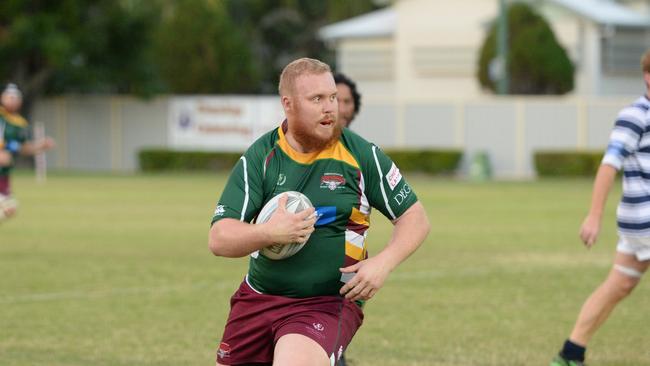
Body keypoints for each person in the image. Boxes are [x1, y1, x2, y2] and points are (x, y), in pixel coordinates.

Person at [209, 58, 430, 366]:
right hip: (257, 298)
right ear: (289, 104)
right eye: (317, 99)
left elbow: (415, 217)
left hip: (326, 302)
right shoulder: (261, 157)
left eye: (332, 98)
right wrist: (268, 233)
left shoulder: (360, 154)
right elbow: (219, 238)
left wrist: (383, 263)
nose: (330, 108)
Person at [550, 50, 650, 366]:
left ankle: (570, 354)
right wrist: (594, 215)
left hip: (637, 225)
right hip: (645, 220)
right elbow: (609, 165)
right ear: (648, 77)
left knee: (619, 284)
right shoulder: (637, 115)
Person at [0, 83, 55, 221]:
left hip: (3, 175)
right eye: (9, 97)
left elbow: (22, 148)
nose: (12, 100)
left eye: (16, 97)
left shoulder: (20, 124)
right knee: (7, 207)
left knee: (8, 209)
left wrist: (40, 146)